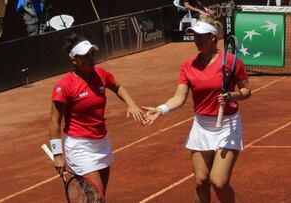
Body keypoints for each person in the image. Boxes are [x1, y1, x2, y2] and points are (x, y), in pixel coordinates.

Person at [143, 16, 251, 203]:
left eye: (202, 36)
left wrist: (233, 96)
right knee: (201, 181)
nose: (198, 41)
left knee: (218, 181)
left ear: (213, 37)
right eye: (195, 36)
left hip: (228, 126)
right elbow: (179, 97)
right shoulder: (187, 66)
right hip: (201, 126)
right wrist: (161, 109)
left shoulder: (232, 62)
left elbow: (246, 91)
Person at [49, 33, 145, 199]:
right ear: (74, 61)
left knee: (98, 198)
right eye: (85, 56)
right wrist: (57, 154)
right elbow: (54, 121)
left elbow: (118, 86)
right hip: (80, 147)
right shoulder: (65, 86)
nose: (91, 58)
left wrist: (131, 104)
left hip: (102, 143)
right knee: (96, 198)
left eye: (92, 54)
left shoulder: (101, 74)